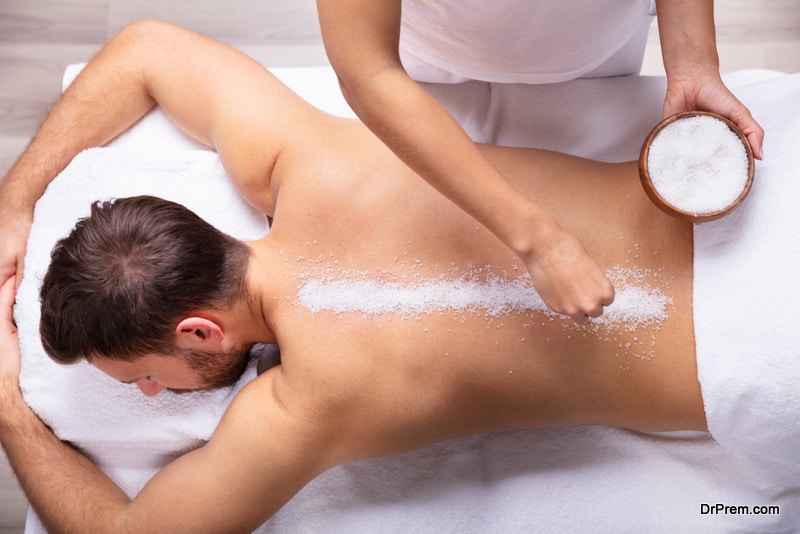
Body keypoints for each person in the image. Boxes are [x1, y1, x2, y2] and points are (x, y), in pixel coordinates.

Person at [0, 20, 775, 532]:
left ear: (198, 328)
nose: (148, 394)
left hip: (760, 368)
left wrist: (8, 411)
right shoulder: (301, 158)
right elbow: (142, 48)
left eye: (141, 374)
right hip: (751, 203)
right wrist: (16, 200)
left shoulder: (299, 414)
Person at [315, 0, 765, 322]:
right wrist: (539, 242)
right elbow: (368, 70)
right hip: (439, 52)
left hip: (598, 43)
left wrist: (693, 63)